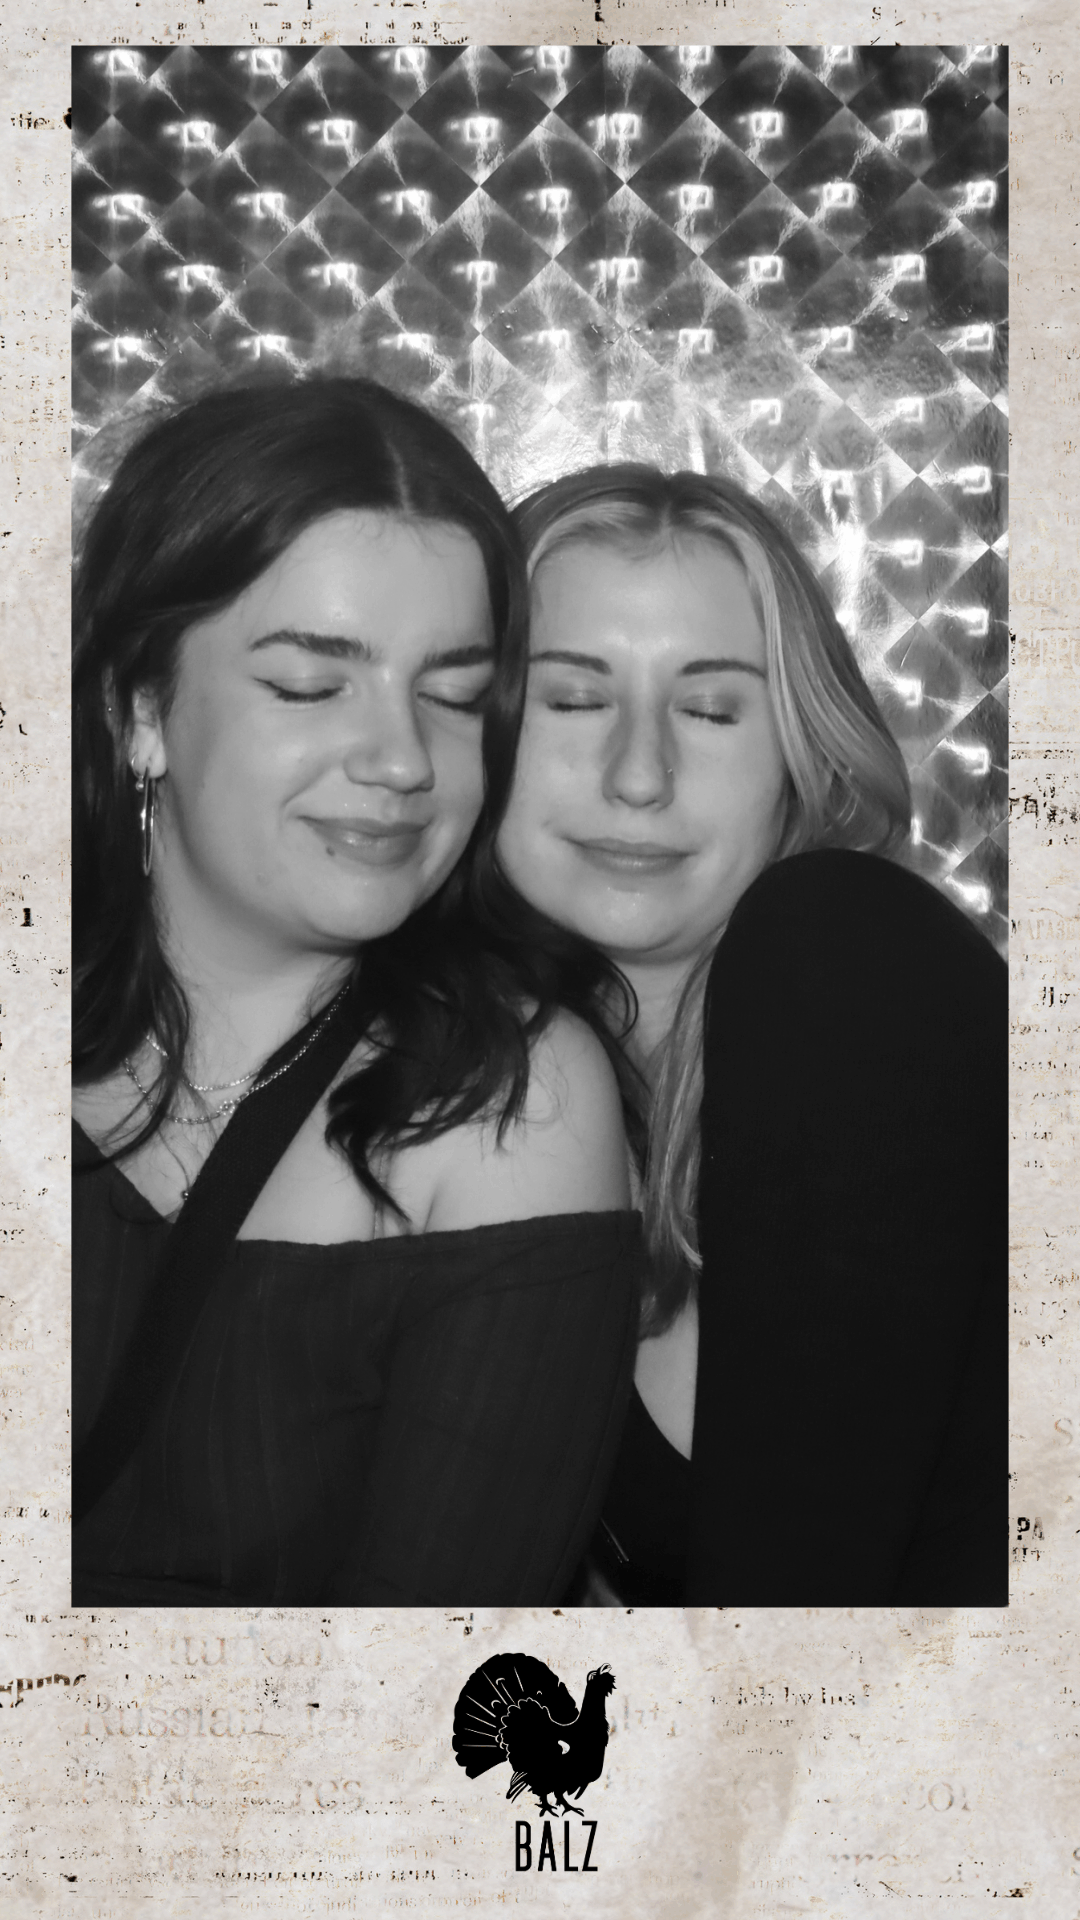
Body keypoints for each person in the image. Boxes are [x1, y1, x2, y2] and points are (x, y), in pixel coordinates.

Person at [72, 378, 642, 1607]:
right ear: (140, 710)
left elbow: (430, 1690)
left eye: (451, 696)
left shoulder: (509, 1100)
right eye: (310, 684)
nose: (401, 760)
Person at [492, 464, 1007, 1605]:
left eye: (712, 710)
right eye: (572, 700)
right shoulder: (495, 1101)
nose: (639, 775)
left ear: (801, 760)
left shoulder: (853, 956)